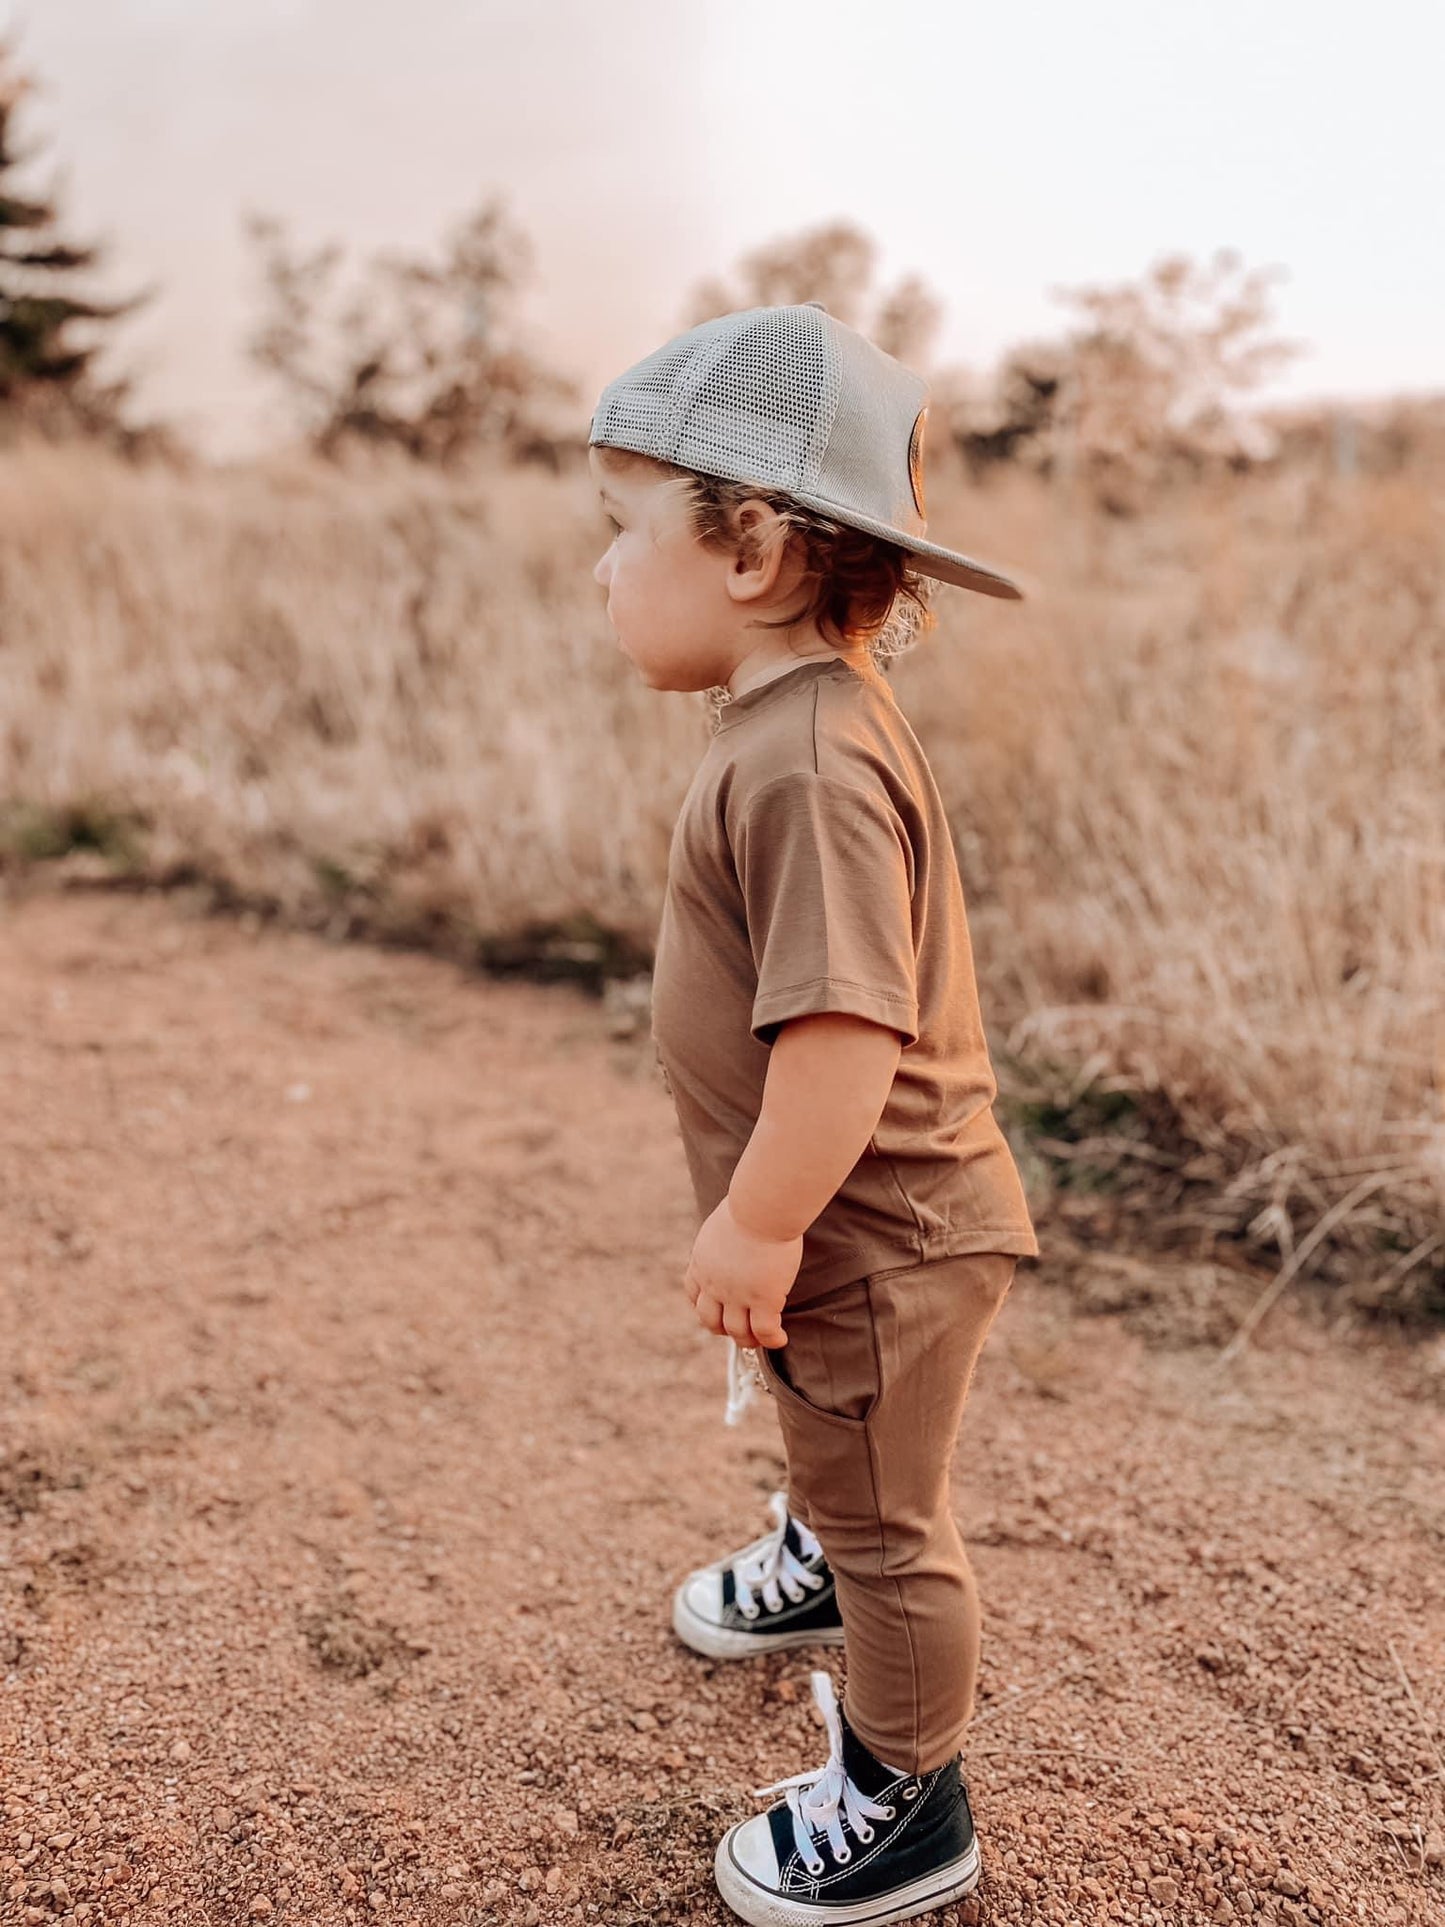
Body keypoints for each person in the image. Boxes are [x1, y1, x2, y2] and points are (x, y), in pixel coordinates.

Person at [586, 301, 1040, 1927]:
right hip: (853, 1233)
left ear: (754, 548)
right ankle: (810, 1551)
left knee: (888, 1512)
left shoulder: (806, 762)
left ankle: (906, 1793)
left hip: (875, 1234)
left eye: (623, 529)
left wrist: (758, 1218)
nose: (602, 571)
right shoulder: (781, 724)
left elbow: (847, 1033)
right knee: (830, 1434)